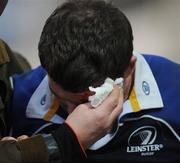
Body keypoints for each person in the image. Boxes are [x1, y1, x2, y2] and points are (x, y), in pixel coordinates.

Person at [7, 0, 180, 162]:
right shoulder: (14, 98)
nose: (77, 116)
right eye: (61, 100)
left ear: (129, 67)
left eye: (92, 101)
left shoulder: (174, 87)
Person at [0, 0, 123, 162]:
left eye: (93, 100)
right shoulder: (24, 92)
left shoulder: (11, 67)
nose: (75, 113)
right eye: (63, 103)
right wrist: (65, 141)